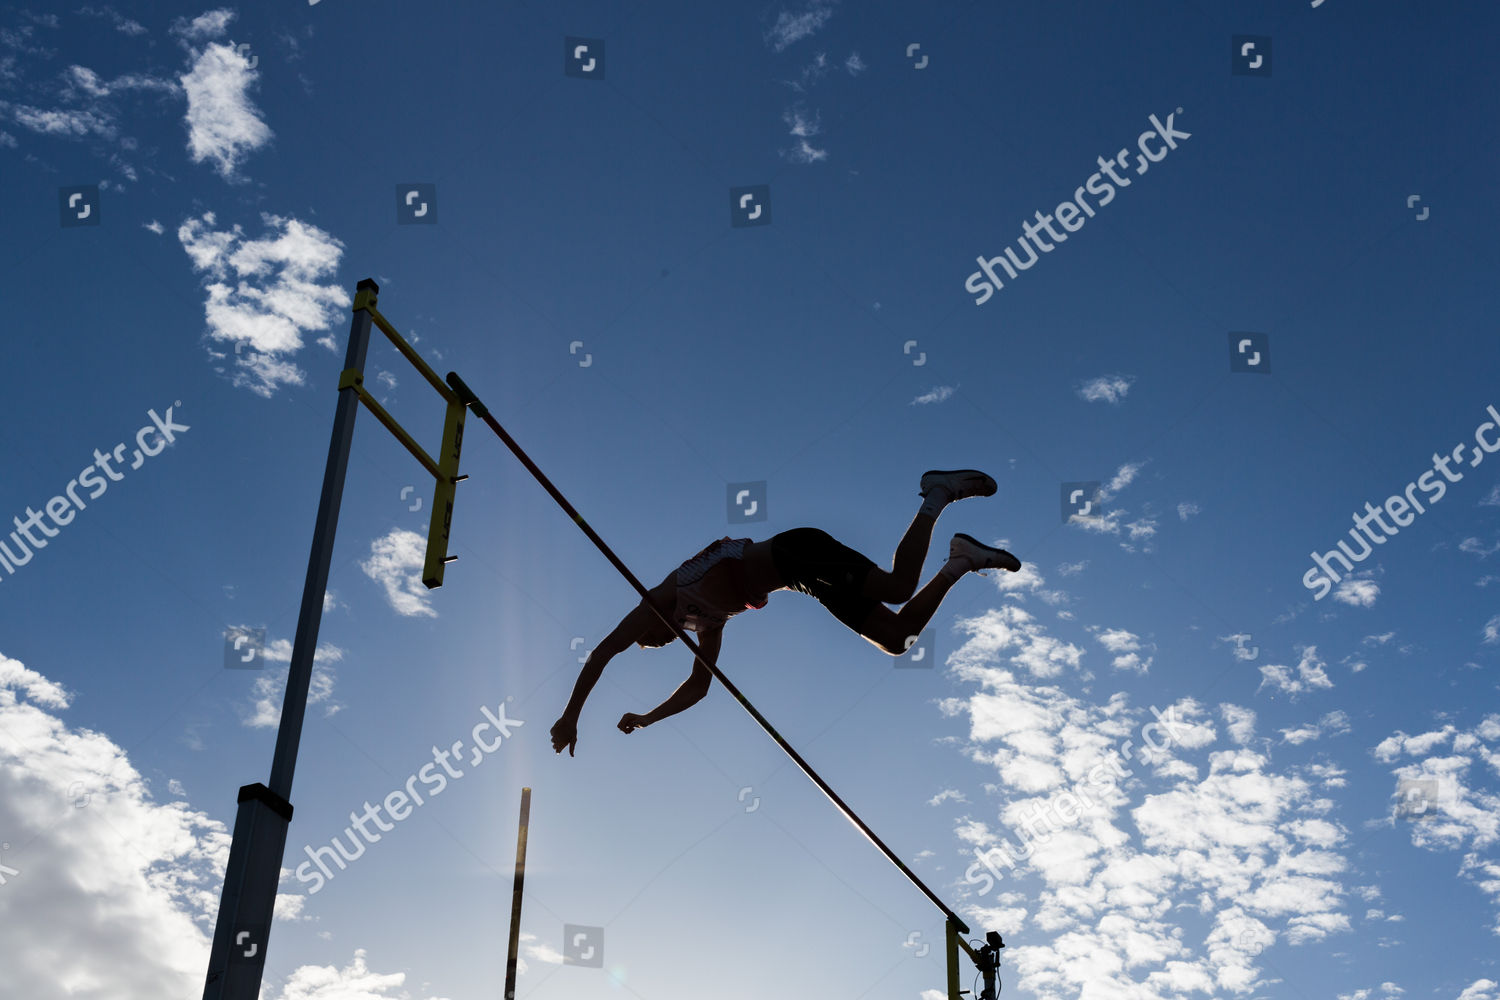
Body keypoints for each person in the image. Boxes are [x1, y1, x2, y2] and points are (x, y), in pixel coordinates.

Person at [549, 470, 1021, 755]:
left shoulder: (659, 597)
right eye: (663, 642)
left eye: (652, 638)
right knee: (898, 638)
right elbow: (698, 686)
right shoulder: (707, 623)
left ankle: (937, 494)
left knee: (898, 586)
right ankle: (961, 560)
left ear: (650, 622)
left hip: (797, 552)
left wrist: (572, 715)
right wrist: (647, 719)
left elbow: (601, 654)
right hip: (805, 579)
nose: (663, 640)